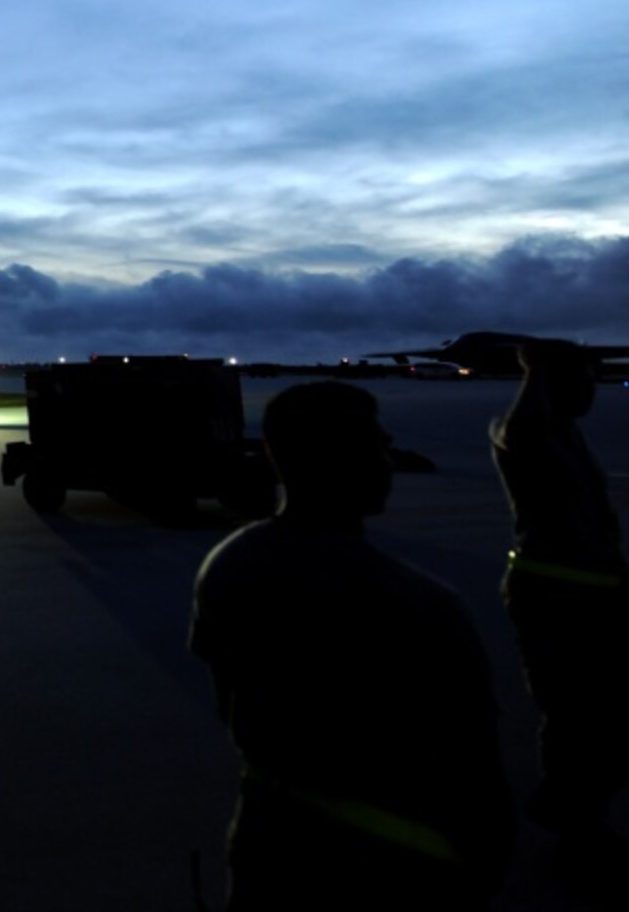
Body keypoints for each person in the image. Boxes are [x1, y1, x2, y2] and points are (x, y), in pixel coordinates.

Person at [190, 382, 513, 910]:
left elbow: (231, 695)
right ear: (343, 461)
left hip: (270, 843)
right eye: (375, 448)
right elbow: (474, 768)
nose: (387, 463)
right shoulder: (423, 605)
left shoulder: (227, 567)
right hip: (393, 869)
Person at [489, 339, 626, 841]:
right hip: (553, 595)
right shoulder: (525, 435)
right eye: (584, 383)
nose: (593, 392)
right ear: (555, 387)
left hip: (595, 590)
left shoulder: (568, 435)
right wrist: (536, 370)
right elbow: (523, 427)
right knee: (574, 711)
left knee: (600, 711)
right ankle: (571, 819)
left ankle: (570, 805)